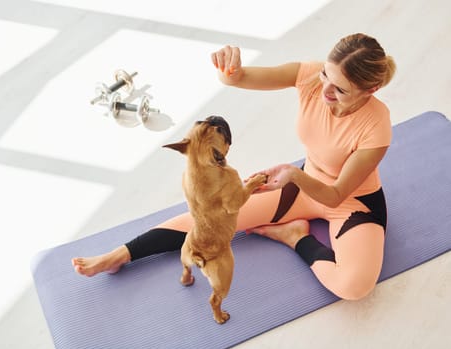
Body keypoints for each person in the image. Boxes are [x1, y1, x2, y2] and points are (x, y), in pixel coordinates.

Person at [72, 33, 396, 300]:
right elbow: (239, 78)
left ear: (370, 90)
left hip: (352, 204)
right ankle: (120, 255)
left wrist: (293, 173)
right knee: (210, 215)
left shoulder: (376, 126)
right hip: (300, 185)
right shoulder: (311, 76)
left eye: (339, 89)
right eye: (326, 74)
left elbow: (336, 194)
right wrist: (229, 70)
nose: (323, 90)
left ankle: (295, 237)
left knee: (354, 286)